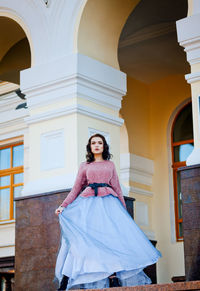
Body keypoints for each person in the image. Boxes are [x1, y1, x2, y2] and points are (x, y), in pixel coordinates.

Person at [55, 133, 161, 290]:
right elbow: (76, 189)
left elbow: (117, 188)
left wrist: (124, 213)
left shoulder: (110, 165)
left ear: (104, 146)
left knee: (111, 241)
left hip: (109, 206)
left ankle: (113, 278)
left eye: (99, 142)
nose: (96, 145)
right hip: (88, 206)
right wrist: (63, 205)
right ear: (90, 147)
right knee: (82, 242)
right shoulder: (85, 166)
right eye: (93, 143)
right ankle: (67, 277)